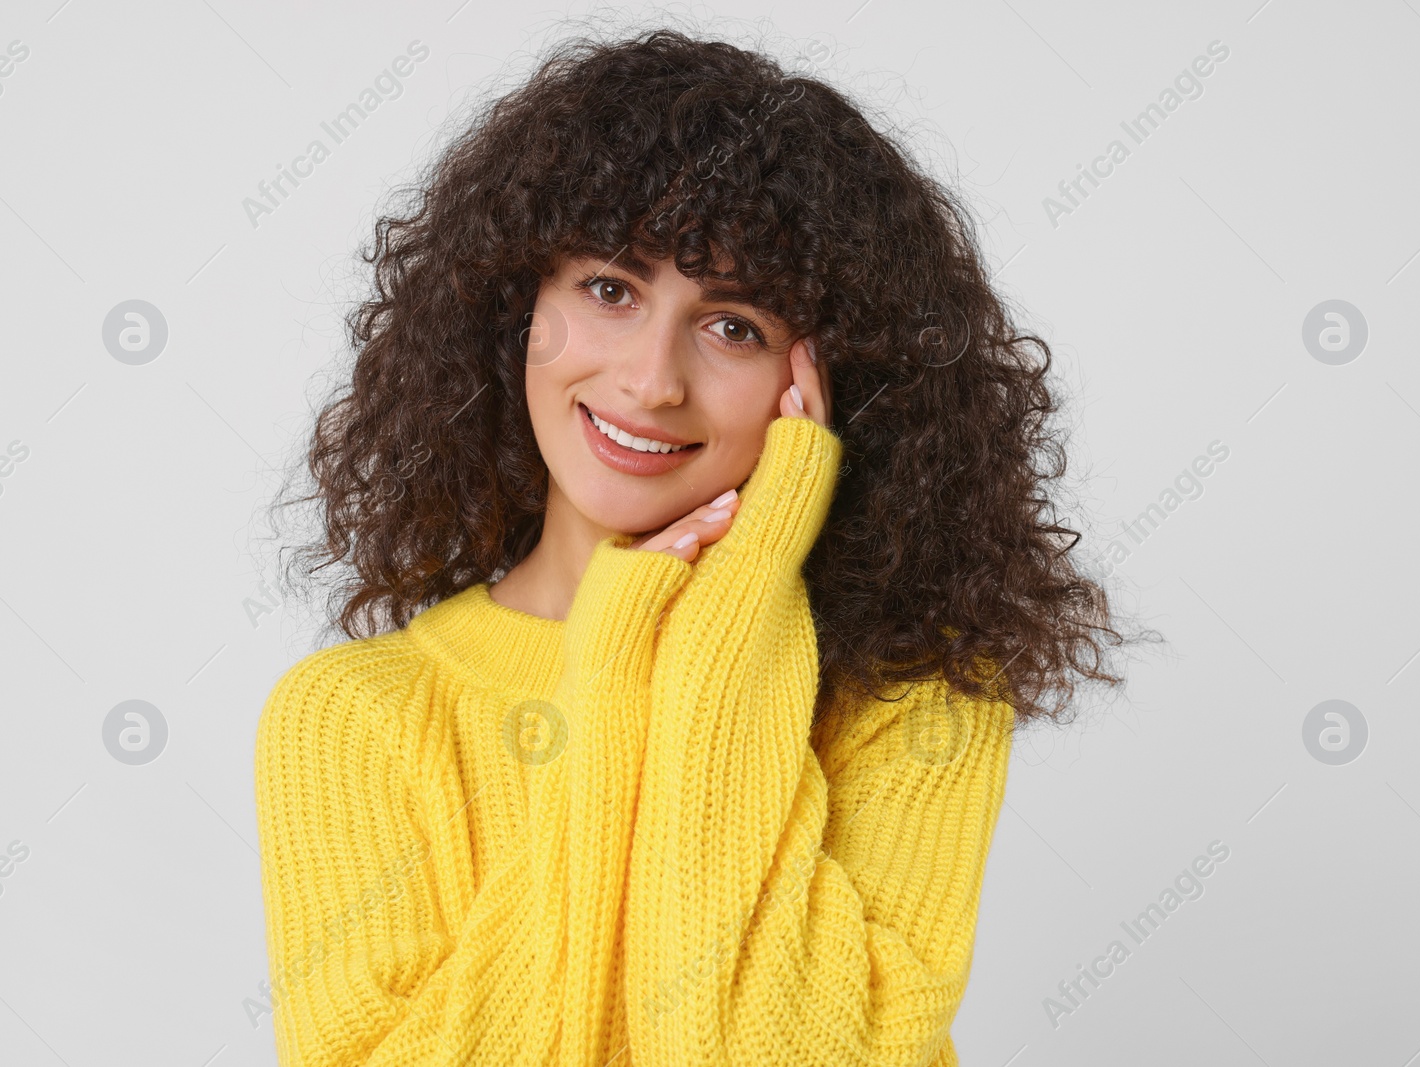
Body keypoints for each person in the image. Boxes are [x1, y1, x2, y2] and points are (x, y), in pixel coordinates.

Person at [255, 26, 1123, 1066]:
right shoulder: (353, 717)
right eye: (610, 289)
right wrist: (618, 658)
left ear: (830, 381)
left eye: (734, 327)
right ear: (514, 307)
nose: (651, 379)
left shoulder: (916, 698)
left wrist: (730, 610)